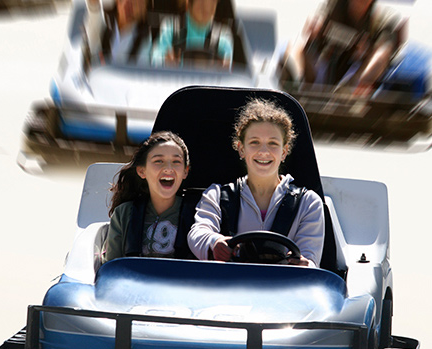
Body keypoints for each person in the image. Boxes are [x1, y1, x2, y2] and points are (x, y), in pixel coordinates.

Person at [187, 98, 325, 267]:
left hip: (284, 289)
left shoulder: (308, 203)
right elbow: (198, 232)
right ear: (241, 149)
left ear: (284, 152)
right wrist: (215, 242)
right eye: (255, 143)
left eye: (273, 143)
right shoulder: (216, 195)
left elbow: (311, 262)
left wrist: (303, 264)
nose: (263, 151)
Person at [282, 0, 405, 95]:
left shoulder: (383, 18)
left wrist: (354, 83)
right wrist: (316, 27)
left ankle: (349, 91)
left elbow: (382, 56)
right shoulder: (335, 6)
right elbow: (314, 26)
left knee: (381, 54)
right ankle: (294, 81)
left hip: (354, 75)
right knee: (296, 42)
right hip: (321, 69)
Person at [103, 131, 191, 263]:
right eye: (158, 161)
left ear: (185, 171)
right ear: (142, 171)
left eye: (176, 161)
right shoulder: (124, 213)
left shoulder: (197, 214)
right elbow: (112, 267)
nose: (168, 168)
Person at [151, 0, 234, 68]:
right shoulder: (171, 29)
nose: (207, 7)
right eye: (202, 2)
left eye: (212, 2)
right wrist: (165, 63)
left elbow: (229, 67)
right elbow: (156, 58)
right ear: (188, 3)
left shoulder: (223, 37)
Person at [84, 0, 153, 65]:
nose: (129, 4)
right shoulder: (103, 26)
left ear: (144, 10)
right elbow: (93, 10)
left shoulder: (144, 44)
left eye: (136, 2)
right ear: (117, 2)